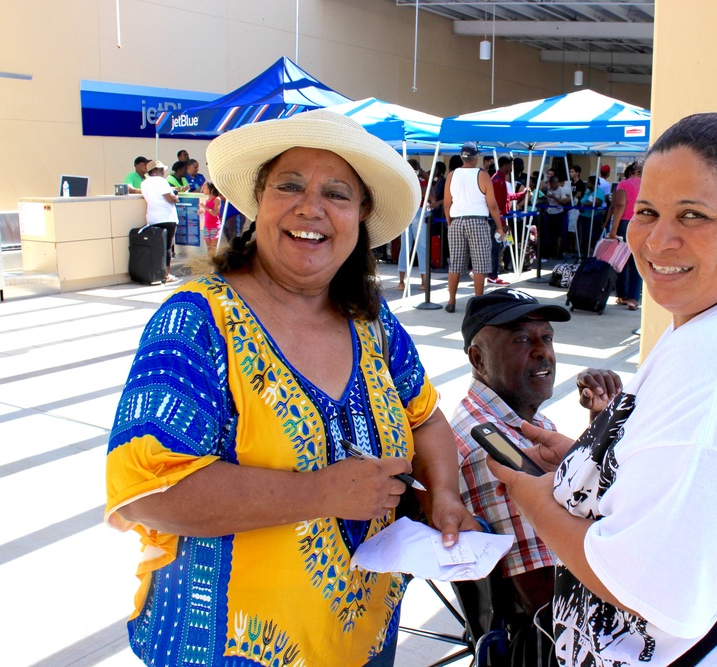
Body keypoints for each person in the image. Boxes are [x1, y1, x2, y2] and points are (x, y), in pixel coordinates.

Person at [105, 110, 478, 667]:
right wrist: (323, 493)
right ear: (259, 201)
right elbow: (148, 491)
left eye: (337, 193)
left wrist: (445, 495)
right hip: (227, 651)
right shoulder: (199, 320)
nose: (312, 208)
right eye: (290, 186)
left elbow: (424, 418)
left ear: (361, 217)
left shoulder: (371, 321)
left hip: (366, 640)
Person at [487, 112, 717, 666]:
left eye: (693, 215)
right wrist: (591, 461)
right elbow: (688, 469)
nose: (659, 239)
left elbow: (651, 591)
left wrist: (537, 503)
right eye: (648, 212)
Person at [452, 288, 620, 617]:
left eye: (547, 337)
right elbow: (543, 597)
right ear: (478, 358)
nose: (543, 352)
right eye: (521, 341)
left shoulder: (522, 418)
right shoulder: (490, 450)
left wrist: (600, 425)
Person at [443, 143, 504, 313]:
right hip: (477, 221)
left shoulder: (452, 175)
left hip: (456, 221)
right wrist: (499, 226)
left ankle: (451, 300)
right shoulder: (482, 175)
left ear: (462, 157)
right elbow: (491, 204)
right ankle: (478, 302)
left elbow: (447, 204)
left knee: (455, 264)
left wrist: (450, 222)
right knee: (480, 264)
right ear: (476, 158)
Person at [606, 161, 643, 309]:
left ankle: (622, 295)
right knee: (637, 262)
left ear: (631, 171)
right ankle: (633, 298)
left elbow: (620, 204)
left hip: (625, 223)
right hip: (642, 223)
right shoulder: (650, 184)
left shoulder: (624, 184)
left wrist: (613, 229)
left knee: (621, 261)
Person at [488, 156, 529, 285]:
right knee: (495, 247)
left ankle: (492, 274)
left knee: (497, 246)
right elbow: (497, 205)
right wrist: (503, 224)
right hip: (497, 219)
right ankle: (492, 275)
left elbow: (506, 198)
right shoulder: (498, 180)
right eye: (510, 164)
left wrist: (522, 194)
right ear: (505, 165)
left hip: (498, 219)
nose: (512, 167)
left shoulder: (499, 179)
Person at [139, 159, 180, 284]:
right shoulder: (161, 181)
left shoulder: (144, 183)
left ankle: (156, 273)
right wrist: (176, 197)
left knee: (157, 248)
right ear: (155, 171)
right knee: (167, 247)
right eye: (161, 170)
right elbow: (171, 199)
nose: (163, 172)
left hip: (152, 218)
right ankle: (166, 275)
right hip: (167, 217)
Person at [397, 159, 427, 291]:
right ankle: (423, 281)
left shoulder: (404, 182)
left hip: (408, 212)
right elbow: (430, 196)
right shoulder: (421, 182)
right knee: (420, 247)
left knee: (406, 247)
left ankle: (401, 281)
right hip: (417, 211)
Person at [200, 181, 223, 256]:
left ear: (211, 189)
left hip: (214, 227)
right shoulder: (207, 200)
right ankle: (209, 264)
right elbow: (208, 212)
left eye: (205, 187)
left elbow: (215, 213)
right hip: (207, 226)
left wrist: (205, 208)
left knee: (213, 248)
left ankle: (213, 264)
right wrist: (202, 211)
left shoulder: (217, 199)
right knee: (209, 247)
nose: (203, 188)